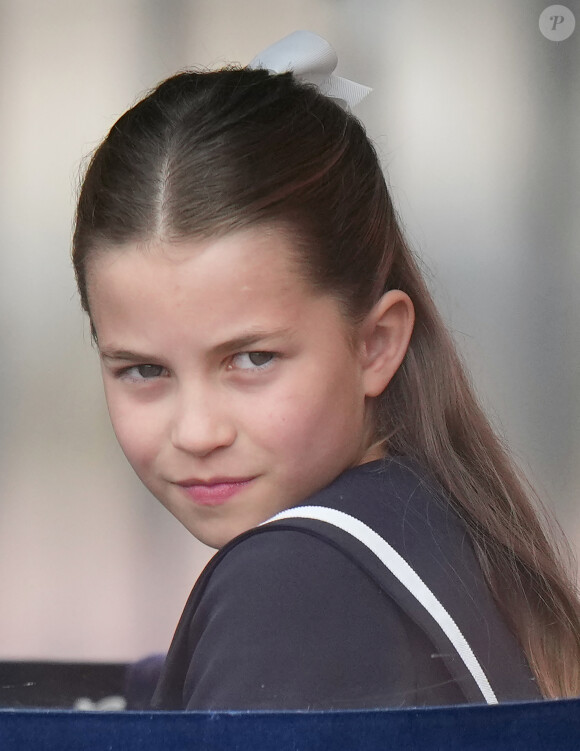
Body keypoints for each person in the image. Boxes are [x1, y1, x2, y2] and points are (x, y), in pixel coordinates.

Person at [72, 32, 580, 710]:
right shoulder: (435, 528)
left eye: (252, 359)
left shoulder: (293, 582)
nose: (196, 430)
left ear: (375, 344)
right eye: (142, 370)